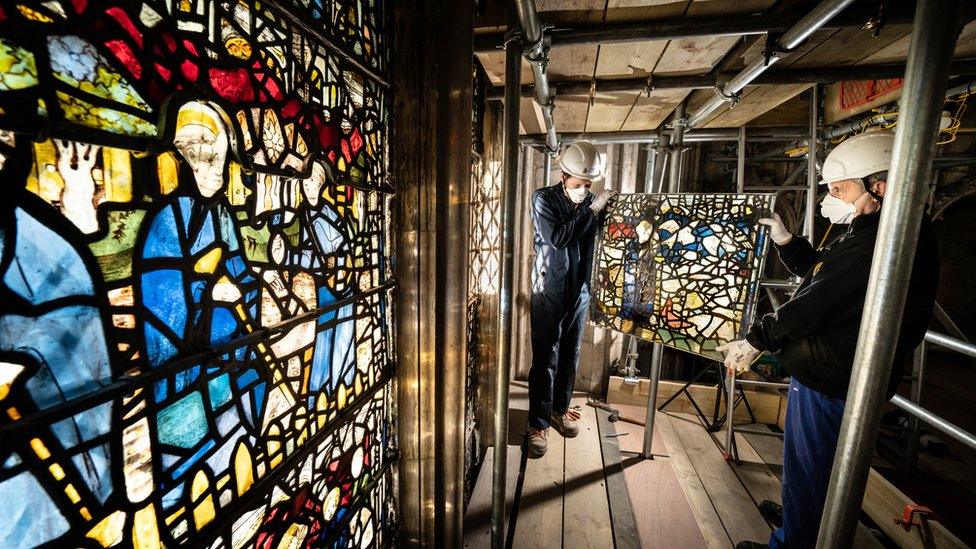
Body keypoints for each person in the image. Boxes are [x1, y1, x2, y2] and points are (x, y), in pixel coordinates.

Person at [719, 130, 940, 549]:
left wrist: (756, 339)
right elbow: (823, 272)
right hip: (837, 371)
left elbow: (815, 303)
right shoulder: (876, 228)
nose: (832, 196)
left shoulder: (877, 241)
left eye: (841, 188)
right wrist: (788, 242)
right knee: (815, 465)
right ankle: (805, 519)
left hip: (833, 379)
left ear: (881, 184)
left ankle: (795, 541)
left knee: (810, 465)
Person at [527, 140, 616, 458]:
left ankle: (559, 410)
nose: (583, 189)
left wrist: (606, 214)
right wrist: (592, 211)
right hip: (548, 290)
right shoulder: (544, 200)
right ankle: (538, 423)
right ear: (564, 176)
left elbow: (603, 241)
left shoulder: (593, 202)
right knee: (545, 359)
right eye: (578, 184)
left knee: (570, 355)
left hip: (579, 291)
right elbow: (559, 239)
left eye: (588, 185)